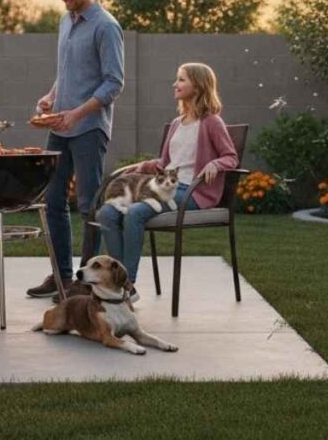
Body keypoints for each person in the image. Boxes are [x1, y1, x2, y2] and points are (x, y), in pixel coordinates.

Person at [26, 0, 125, 299]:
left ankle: (87, 282)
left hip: (89, 129)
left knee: (88, 205)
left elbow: (114, 83)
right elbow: (67, 71)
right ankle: (61, 276)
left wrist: (78, 114)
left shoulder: (106, 27)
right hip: (59, 127)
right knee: (52, 201)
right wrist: (51, 96)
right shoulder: (65, 21)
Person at [96, 62, 238, 296]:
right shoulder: (176, 123)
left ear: (198, 85)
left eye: (181, 79)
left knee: (135, 213)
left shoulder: (212, 122)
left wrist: (215, 163)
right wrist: (140, 167)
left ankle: (127, 284)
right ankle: (118, 279)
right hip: (163, 187)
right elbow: (165, 163)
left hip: (191, 192)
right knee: (107, 213)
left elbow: (231, 157)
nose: (175, 84)